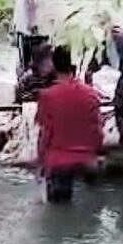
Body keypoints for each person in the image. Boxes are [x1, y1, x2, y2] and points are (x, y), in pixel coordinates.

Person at [36, 46, 104, 203]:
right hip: (88, 160)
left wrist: (41, 163)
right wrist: (97, 155)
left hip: (59, 161)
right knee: (90, 213)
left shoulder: (47, 96)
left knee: (58, 210)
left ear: (53, 66)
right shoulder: (91, 93)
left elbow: (45, 133)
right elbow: (97, 130)